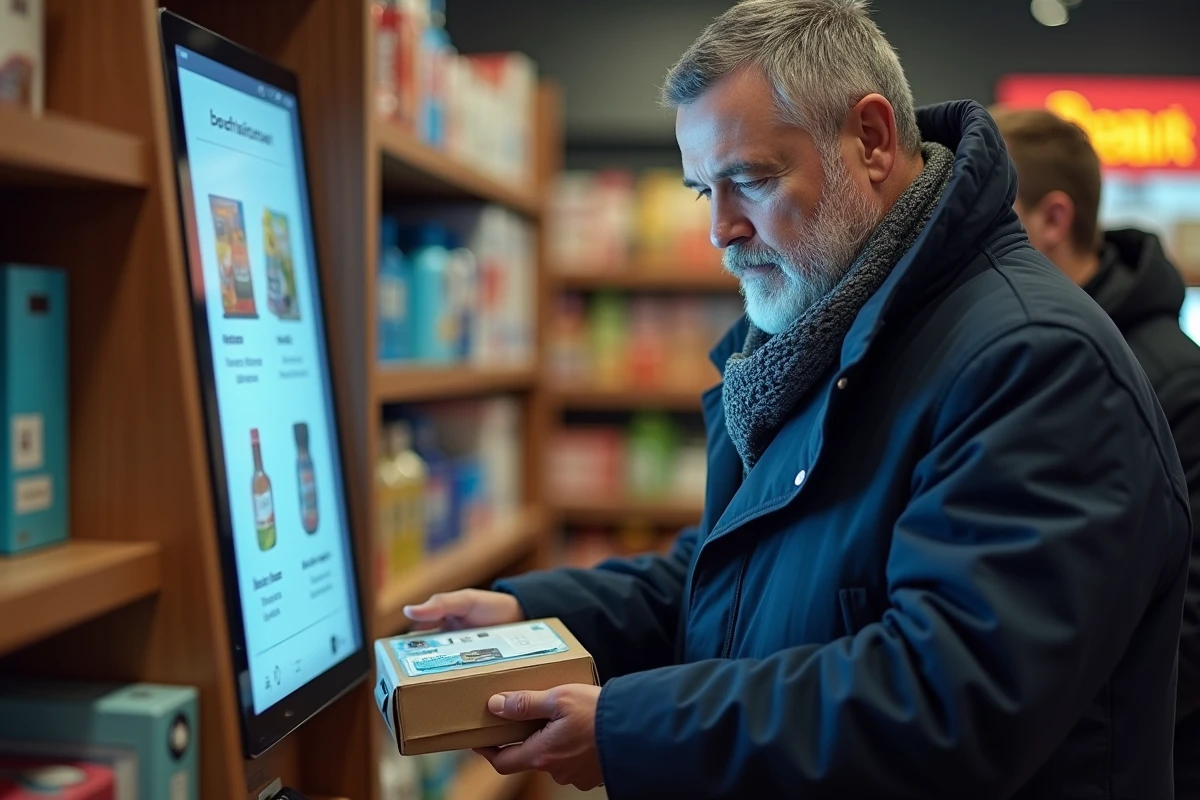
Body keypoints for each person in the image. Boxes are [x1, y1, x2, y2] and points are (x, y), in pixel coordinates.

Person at [405, 1, 1192, 795]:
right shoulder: (825, 327)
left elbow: (949, 700)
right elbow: (737, 579)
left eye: (748, 179)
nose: (719, 229)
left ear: (874, 141)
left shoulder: (1034, 362)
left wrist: (632, 729)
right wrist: (527, 618)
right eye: (701, 190)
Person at [994, 106, 1200, 798]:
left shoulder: (1175, 382)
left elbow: (1191, 633)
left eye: (988, 213)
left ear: (1053, 219)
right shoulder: (1010, 357)